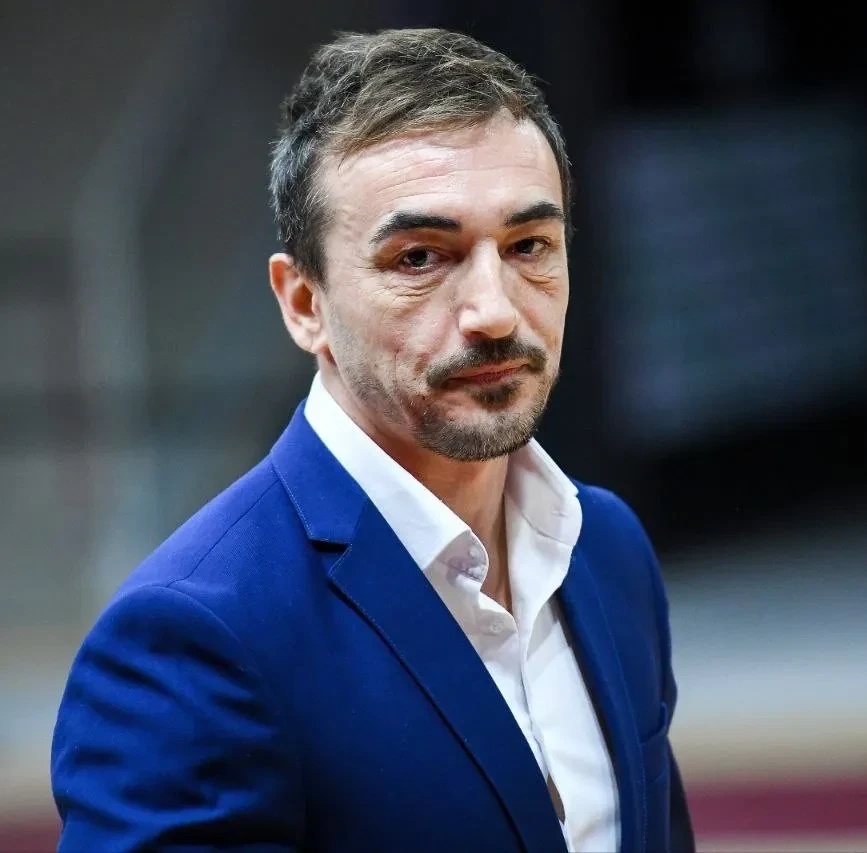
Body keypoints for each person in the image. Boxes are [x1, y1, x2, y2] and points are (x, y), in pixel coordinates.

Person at [50, 28, 693, 853]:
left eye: (528, 246)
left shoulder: (607, 548)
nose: (494, 311)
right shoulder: (191, 640)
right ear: (303, 303)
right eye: (420, 256)